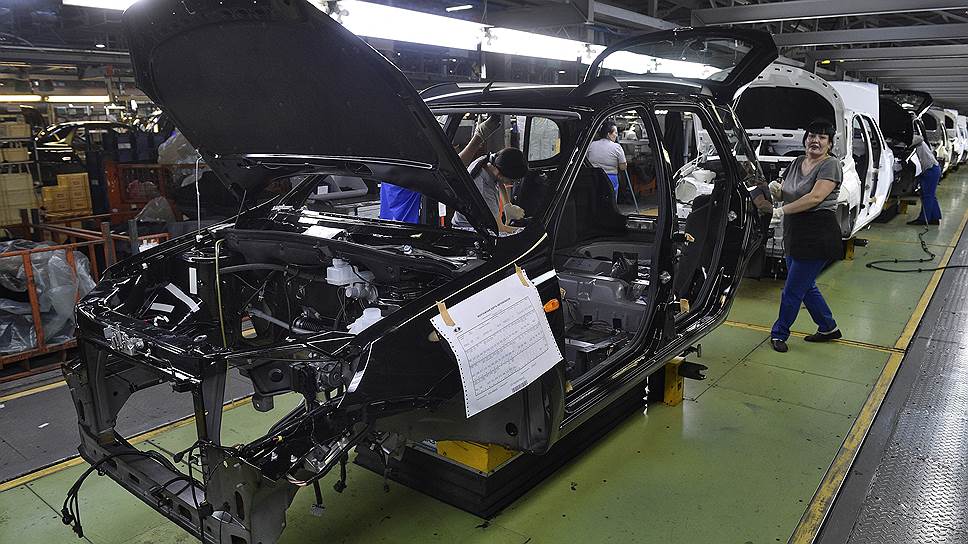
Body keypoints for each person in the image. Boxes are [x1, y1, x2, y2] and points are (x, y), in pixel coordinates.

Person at [768, 120, 844, 353]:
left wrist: (780, 210)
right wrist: (776, 192)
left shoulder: (830, 165)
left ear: (830, 143)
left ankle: (779, 333)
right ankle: (828, 327)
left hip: (817, 233)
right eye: (812, 136)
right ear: (805, 139)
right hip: (794, 231)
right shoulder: (797, 162)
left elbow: (814, 198)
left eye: (822, 137)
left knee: (793, 289)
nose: (815, 141)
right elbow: (787, 191)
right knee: (806, 286)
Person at [379, 114, 501, 223]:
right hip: (410, 232)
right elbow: (451, 169)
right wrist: (478, 137)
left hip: (390, 228)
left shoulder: (390, 163)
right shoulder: (413, 168)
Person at [452, 147, 528, 233]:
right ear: (500, 174)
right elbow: (499, 229)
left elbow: (500, 181)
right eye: (512, 181)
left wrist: (507, 205)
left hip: (476, 222)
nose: (512, 183)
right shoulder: (484, 190)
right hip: (468, 230)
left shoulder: (489, 160)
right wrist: (527, 231)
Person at [907, 134, 942, 225]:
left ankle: (923, 219)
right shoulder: (915, 141)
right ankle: (935, 218)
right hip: (932, 169)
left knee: (927, 196)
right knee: (930, 195)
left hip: (930, 170)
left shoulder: (915, 139)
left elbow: (917, 139)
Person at [586, 120, 627, 199]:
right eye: (615, 133)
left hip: (593, 179)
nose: (616, 135)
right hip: (610, 179)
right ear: (609, 134)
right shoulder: (617, 147)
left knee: (595, 201)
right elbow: (623, 167)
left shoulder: (591, 145)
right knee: (610, 202)